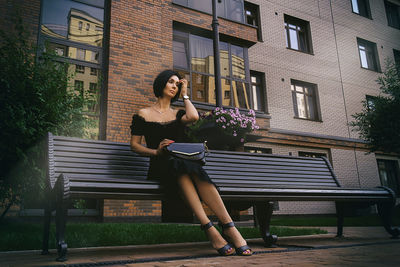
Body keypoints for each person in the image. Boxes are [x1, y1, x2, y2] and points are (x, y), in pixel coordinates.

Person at [130, 70, 252, 256]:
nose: (174, 86)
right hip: (161, 165)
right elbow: (135, 146)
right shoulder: (143, 114)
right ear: (161, 84)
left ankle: (227, 226)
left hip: (183, 165)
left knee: (188, 168)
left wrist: (186, 92)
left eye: (177, 84)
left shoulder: (178, 114)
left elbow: (194, 117)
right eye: (171, 82)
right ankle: (212, 229)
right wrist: (156, 151)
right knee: (183, 168)